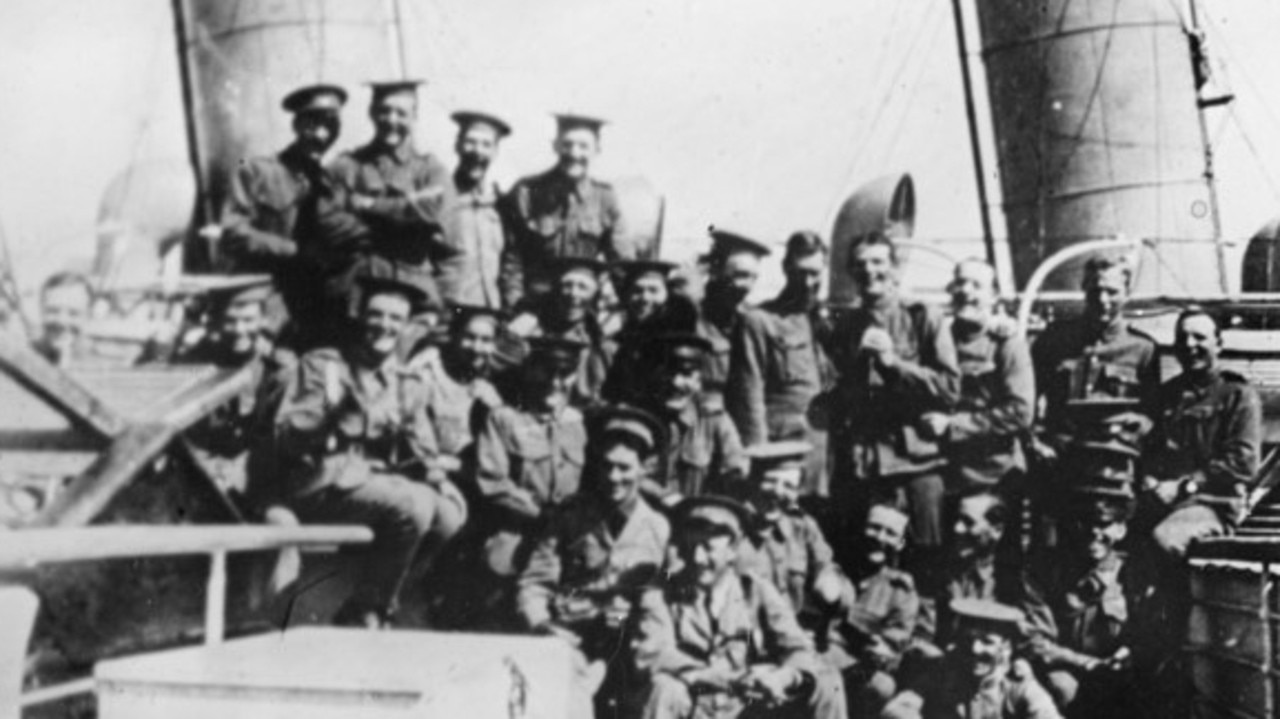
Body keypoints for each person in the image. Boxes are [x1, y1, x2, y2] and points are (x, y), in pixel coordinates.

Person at [263, 274, 467, 628]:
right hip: (318, 483)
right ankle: (368, 612)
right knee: (413, 505)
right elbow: (288, 438)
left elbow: (422, 446)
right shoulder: (324, 366)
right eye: (376, 315)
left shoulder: (405, 381)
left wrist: (437, 476)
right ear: (360, 317)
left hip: (373, 485)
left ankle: (374, 593)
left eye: (395, 319)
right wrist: (332, 414)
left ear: (405, 327)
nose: (384, 326)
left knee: (449, 514)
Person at [630, 496, 848, 719]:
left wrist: (783, 676)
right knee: (665, 688)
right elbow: (653, 652)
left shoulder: (754, 589)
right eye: (691, 546)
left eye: (708, 548)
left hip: (743, 707)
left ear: (732, 551)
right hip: (693, 704)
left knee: (827, 680)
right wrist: (717, 678)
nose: (698, 558)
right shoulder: (661, 592)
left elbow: (798, 647)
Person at [517, 406, 671, 718]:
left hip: (629, 643)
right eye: (606, 466)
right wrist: (541, 627)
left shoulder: (656, 526)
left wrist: (652, 650)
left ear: (646, 468)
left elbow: (655, 604)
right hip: (571, 636)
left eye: (625, 468)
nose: (614, 477)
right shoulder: (571, 516)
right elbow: (535, 584)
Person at [824, 231, 960, 577]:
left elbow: (949, 388)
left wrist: (893, 364)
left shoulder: (922, 316)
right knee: (866, 563)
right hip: (866, 469)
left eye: (878, 262)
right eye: (861, 265)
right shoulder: (844, 326)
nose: (870, 271)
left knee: (926, 562)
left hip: (917, 466)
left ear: (896, 269)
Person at [211, 83, 347, 333]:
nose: (321, 135)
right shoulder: (255, 170)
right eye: (312, 125)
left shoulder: (333, 182)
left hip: (317, 299)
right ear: (295, 125)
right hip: (267, 298)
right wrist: (293, 250)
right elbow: (233, 233)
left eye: (330, 127)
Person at [1028, 444, 1139, 718]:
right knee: (1062, 688)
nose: (1094, 533)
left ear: (1122, 528)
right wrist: (1088, 664)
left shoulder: (1134, 571)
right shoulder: (1045, 571)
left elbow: (1147, 630)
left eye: (1105, 524)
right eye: (1085, 522)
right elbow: (1036, 643)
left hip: (1117, 671)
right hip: (1067, 670)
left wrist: (1127, 652)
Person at [471, 336, 590, 588]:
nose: (554, 383)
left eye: (565, 373)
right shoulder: (504, 419)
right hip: (518, 533)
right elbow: (492, 482)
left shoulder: (581, 424)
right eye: (546, 371)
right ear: (530, 370)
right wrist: (539, 513)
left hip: (570, 539)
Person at [1146, 308, 1262, 557]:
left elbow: (1243, 462)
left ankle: (1179, 598)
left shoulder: (1237, 395)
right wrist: (1148, 480)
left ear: (1218, 344)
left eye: (1199, 337)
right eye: (1182, 338)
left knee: (1165, 538)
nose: (1189, 345)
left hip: (1212, 505)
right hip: (1161, 503)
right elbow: (1147, 450)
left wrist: (1185, 486)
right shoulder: (1166, 396)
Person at [327, 80, 451, 313]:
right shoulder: (346, 166)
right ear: (371, 113)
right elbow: (331, 224)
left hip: (414, 289)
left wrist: (370, 206)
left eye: (401, 113)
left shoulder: (430, 169)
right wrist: (405, 215)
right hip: (357, 289)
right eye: (384, 111)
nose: (391, 120)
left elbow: (431, 211)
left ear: (415, 116)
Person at [728, 231, 832, 496]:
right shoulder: (760, 321)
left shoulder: (828, 322)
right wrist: (759, 459)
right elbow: (749, 396)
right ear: (786, 268)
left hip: (825, 453)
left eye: (815, 273)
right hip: (783, 455)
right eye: (800, 273)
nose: (808, 282)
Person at [172, 280, 297, 496]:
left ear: (263, 320)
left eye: (248, 320)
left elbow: (276, 438)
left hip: (253, 476)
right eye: (230, 320)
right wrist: (208, 468)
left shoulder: (277, 369)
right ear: (216, 322)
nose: (239, 330)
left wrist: (239, 470)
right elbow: (181, 433)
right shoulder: (194, 364)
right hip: (198, 474)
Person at [1031, 255, 1160, 459]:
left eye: (1112, 292)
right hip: (1059, 461)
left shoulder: (1144, 349)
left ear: (1127, 293)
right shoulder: (1053, 340)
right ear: (1084, 290)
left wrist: (1137, 428)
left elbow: (1153, 415)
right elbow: (1027, 400)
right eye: (1095, 291)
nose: (1102, 300)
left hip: (1115, 461)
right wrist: (1035, 443)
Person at [924, 259, 1034, 495]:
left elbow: (1020, 411)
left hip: (992, 476)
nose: (965, 291)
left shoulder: (1006, 344)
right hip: (942, 471)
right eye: (960, 282)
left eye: (976, 285)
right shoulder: (936, 339)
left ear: (993, 296)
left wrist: (954, 425)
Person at [501, 113, 627, 308]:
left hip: (581, 307)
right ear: (555, 145)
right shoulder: (527, 191)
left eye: (584, 146)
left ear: (597, 150)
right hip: (534, 305)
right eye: (567, 144)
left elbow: (620, 263)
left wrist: (627, 308)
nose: (574, 153)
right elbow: (511, 259)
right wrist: (515, 305)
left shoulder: (605, 198)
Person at [883, 599, 1061, 719]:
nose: (975, 649)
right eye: (968, 639)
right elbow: (899, 708)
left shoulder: (1017, 683)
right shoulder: (943, 669)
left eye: (987, 641)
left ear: (1006, 648)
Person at [832, 502, 920, 719]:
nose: (879, 538)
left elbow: (892, 646)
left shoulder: (901, 591)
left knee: (881, 686)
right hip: (818, 657)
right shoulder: (832, 570)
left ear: (900, 543)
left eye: (890, 533)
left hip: (857, 670)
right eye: (874, 527)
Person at [635, 333, 747, 503]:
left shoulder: (713, 420)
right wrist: (663, 495)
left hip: (694, 521)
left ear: (699, 380)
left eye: (686, 374)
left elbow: (735, 471)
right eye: (667, 373)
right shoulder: (636, 418)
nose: (675, 382)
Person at [508, 257, 615, 409]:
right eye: (567, 285)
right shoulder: (533, 328)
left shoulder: (598, 339)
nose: (573, 293)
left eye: (582, 287)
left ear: (593, 295)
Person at [434, 110, 513, 308]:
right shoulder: (438, 200)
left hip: (487, 318)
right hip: (445, 315)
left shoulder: (501, 206)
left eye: (486, 144)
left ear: (495, 152)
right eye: (470, 142)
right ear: (457, 145)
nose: (477, 151)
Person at [416, 304, 505, 476]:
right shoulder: (429, 374)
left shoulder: (488, 389)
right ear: (455, 337)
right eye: (469, 337)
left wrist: (494, 409)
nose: (476, 348)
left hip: (470, 476)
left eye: (486, 340)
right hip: (429, 471)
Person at [602, 259, 698, 405]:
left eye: (653, 290)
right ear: (627, 297)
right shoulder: (614, 344)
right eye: (637, 291)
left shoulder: (681, 342)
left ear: (667, 295)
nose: (645, 298)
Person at [698, 228, 770, 392]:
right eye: (741, 275)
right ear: (716, 270)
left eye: (754, 278)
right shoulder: (688, 315)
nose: (748, 287)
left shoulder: (749, 319)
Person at [31, 271, 117, 369]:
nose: (61, 321)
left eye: (73, 313)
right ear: (41, 311)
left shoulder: (101, 367)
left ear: (88, 316)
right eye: (53, 311)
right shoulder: (24, 356)